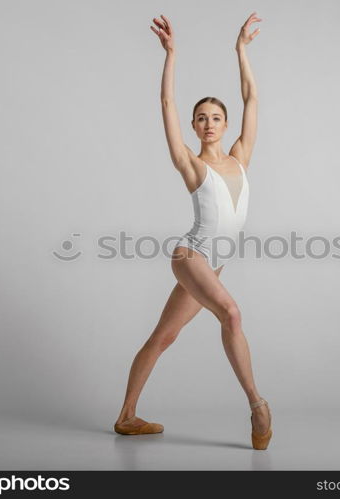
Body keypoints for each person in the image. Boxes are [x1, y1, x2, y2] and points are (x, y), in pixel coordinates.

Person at [113, 12, 272, 450]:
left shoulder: (241, 156)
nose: (208, 122)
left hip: (212, 266)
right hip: (190, 257)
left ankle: (126, 417)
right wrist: (171, 55)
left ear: (224, 123)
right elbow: (166, 106)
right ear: (194, 126)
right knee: (232, 314)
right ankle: (258, 406)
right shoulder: (192, 165)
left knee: (163, 336)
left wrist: (240, 50)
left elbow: (252, 100)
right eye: (200, 118)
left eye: (215, 116)